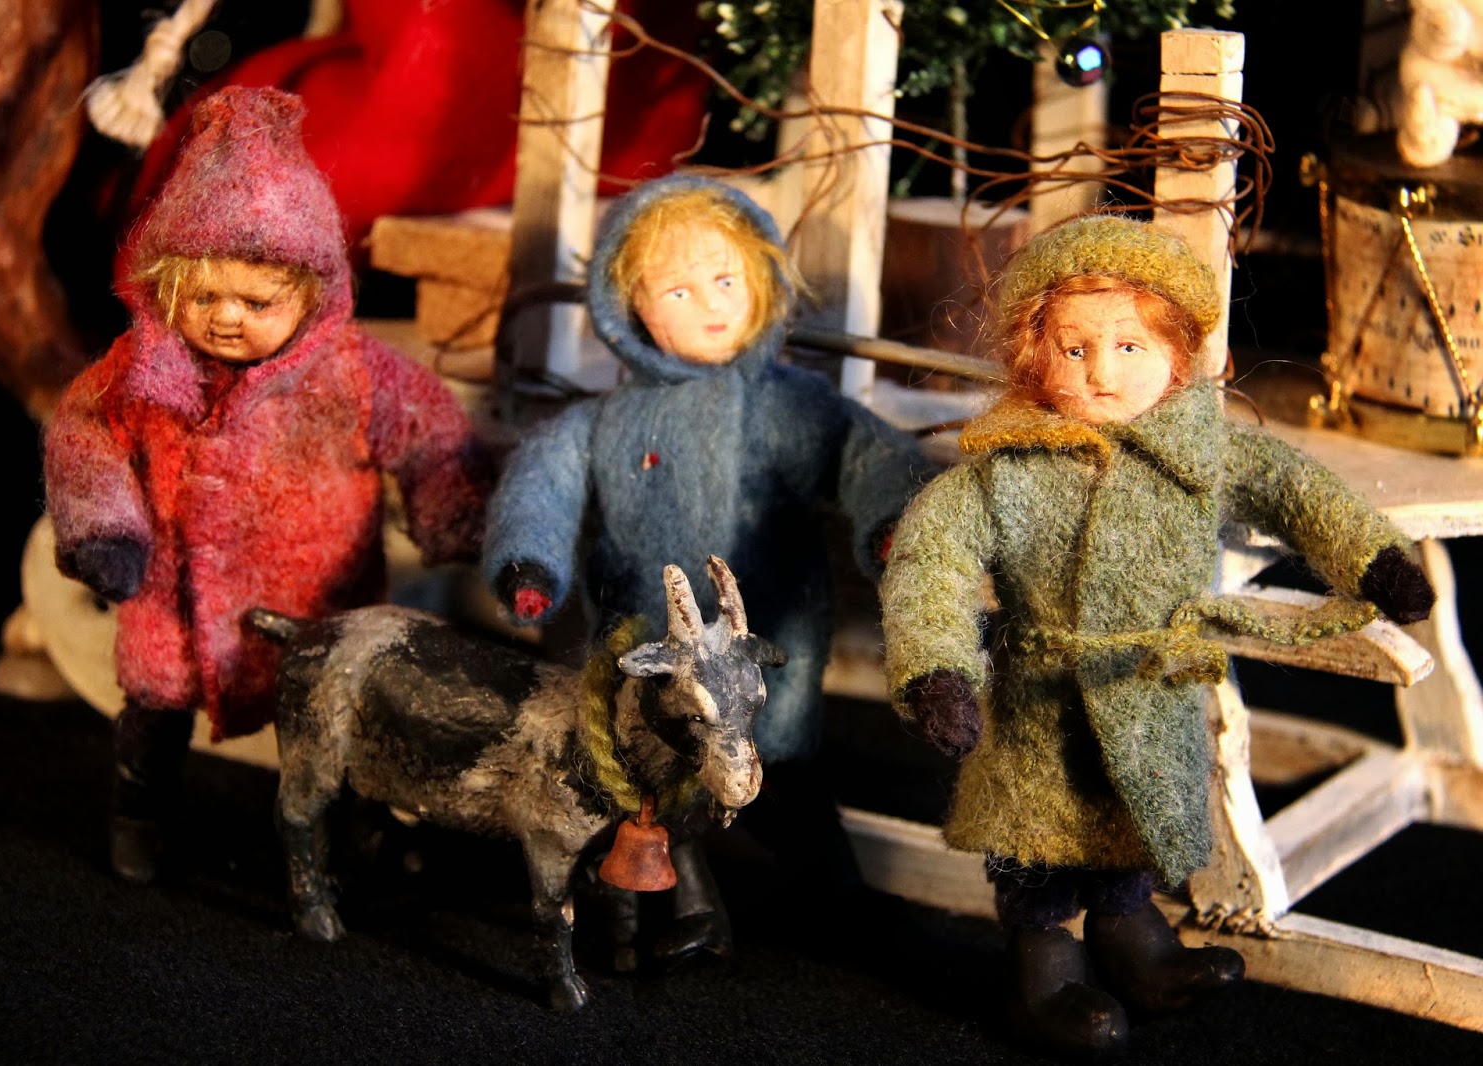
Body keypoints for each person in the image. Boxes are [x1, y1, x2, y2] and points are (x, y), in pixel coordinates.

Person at [880, 215, 1435, 1056]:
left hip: (1152, 683)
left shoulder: (1200, 450)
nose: (1101, 373)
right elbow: (933, 560)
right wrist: (937, 669)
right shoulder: (1004, 470)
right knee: (1036, 848)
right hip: (1044, 701)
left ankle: (1134, 944)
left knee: (1135, 821)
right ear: (1034, 353)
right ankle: (1042, 971)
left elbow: (1294, 488)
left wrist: (1373, 558)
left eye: (1129, 346)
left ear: (1176, 355)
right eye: (1073, 349)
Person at [44, 87, 490, 883]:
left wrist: (449, 509)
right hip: (171, 593)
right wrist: (106, 527)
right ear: (166, 285)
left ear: (313, 292)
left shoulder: (351, 373)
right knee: (154, 707)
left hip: (313, 594)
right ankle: (139, 815)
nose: (226, 318)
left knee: (333, 718)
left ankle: (354, 828)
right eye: (202, 297)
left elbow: (430, 433)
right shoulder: (140, 371)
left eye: (257, 302)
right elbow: (83, 436)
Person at [482, 175, 929, 956]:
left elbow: (867, 454)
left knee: (777, 769)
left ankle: (835, 897)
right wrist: (531, 562)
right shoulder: (610, 421)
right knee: (648, 767)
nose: (712, 305)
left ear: (761, 278)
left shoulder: (787, 404)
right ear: (629, 308)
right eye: (678, 291)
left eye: (726, 279)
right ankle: (672, 911)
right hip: (647, 635)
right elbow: (541, 481)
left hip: (764, 637)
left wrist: (893, 521)